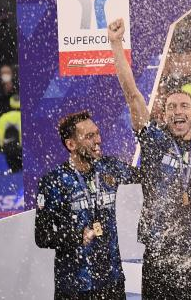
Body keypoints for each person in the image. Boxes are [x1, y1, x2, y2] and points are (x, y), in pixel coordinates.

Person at [106, 19, 191, 299]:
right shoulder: (155, 142)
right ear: (164, 116)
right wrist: (116, 44)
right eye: (171, 107)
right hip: (160, 253)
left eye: (184, 106)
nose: (177, 111)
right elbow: (132, 95)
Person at [35, 111, 137, 300]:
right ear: (71, 144)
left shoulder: (109, 167)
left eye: (97, 133)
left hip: (112, 282)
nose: (98, 140)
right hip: (75, 287)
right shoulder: (53, 181)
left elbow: (148, 175)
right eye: (89, 136)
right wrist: (76, 236)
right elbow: (42, 236)